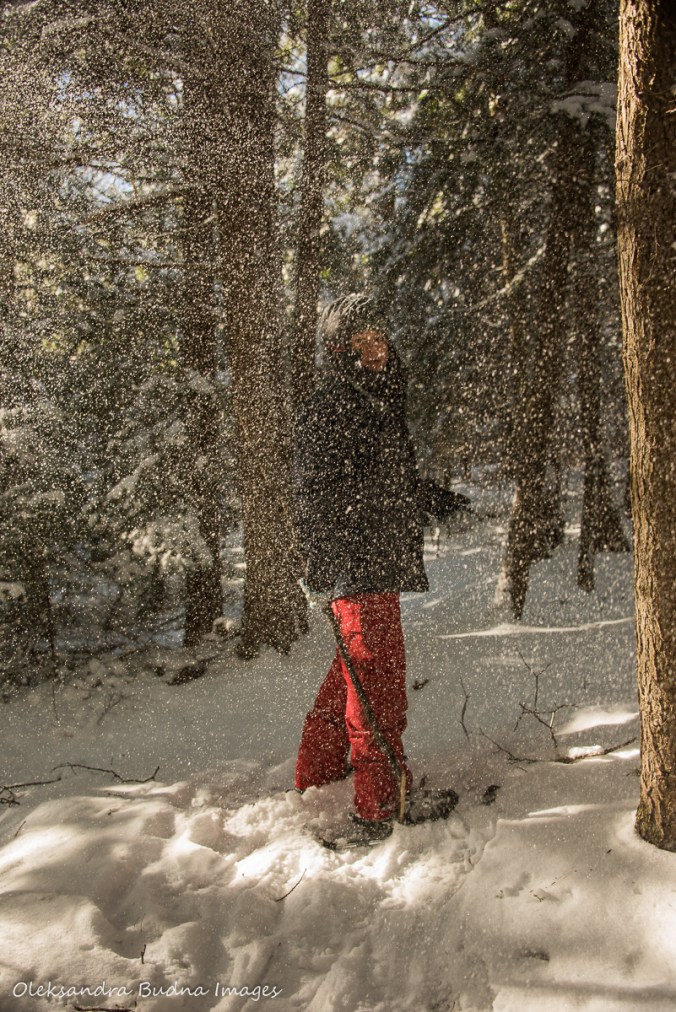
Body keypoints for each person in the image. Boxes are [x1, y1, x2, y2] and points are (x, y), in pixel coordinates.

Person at [292, 293, 470, 843]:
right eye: (365, 339)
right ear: (340, 348)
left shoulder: (375, 403)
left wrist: (431, 497)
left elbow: (382, 482)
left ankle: (317, 772)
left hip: (376, 562)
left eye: (381, 336)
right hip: (356, 567)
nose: (378, 347)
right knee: (379, 680)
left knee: (356, 671)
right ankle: (378, 804)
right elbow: (310, 495)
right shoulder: (331, 407)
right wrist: (324, 565)